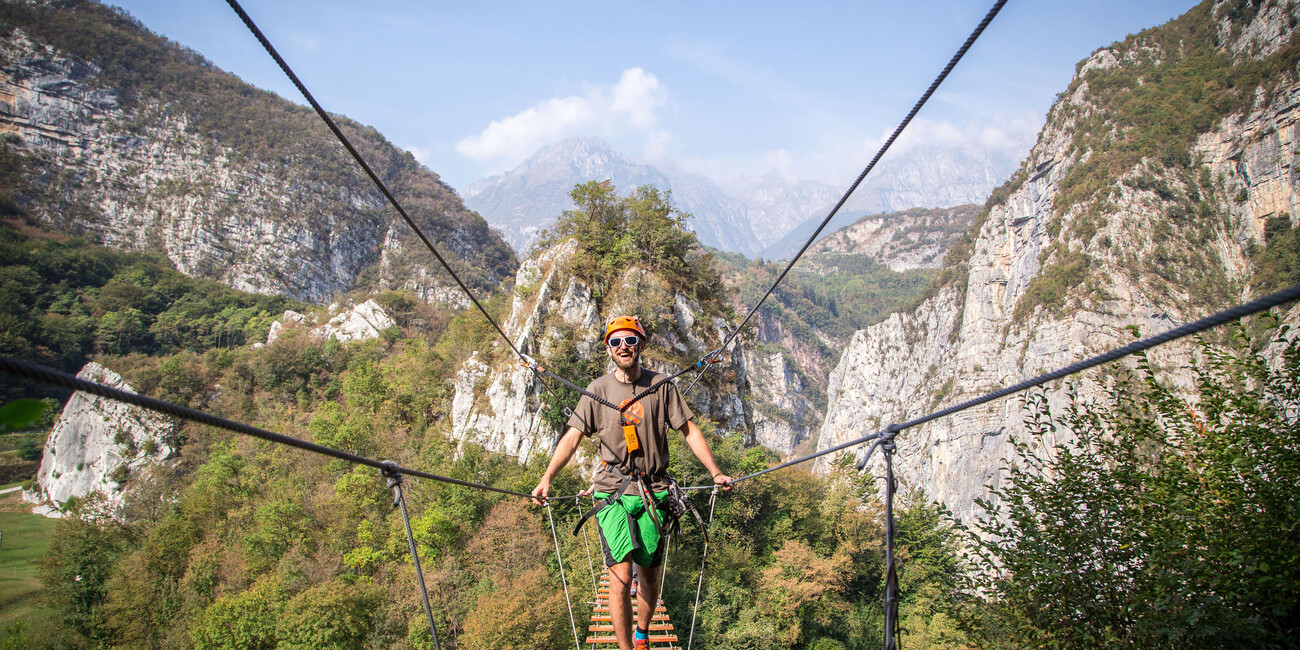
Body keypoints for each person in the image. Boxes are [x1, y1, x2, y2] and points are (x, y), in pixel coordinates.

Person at [532, 315, 732, 650]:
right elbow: (572, 437)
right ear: (608, 349)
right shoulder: (597, 390)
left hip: (654, 490)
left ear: (641, 345)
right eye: (616, 342)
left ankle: (642, 632)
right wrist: (547, 477)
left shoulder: (662, 385)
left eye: (630, 340)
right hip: (612, 490)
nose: (623, 347)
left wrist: (715, 472)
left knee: (649, 576)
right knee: (622, 578)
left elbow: (689, 431)